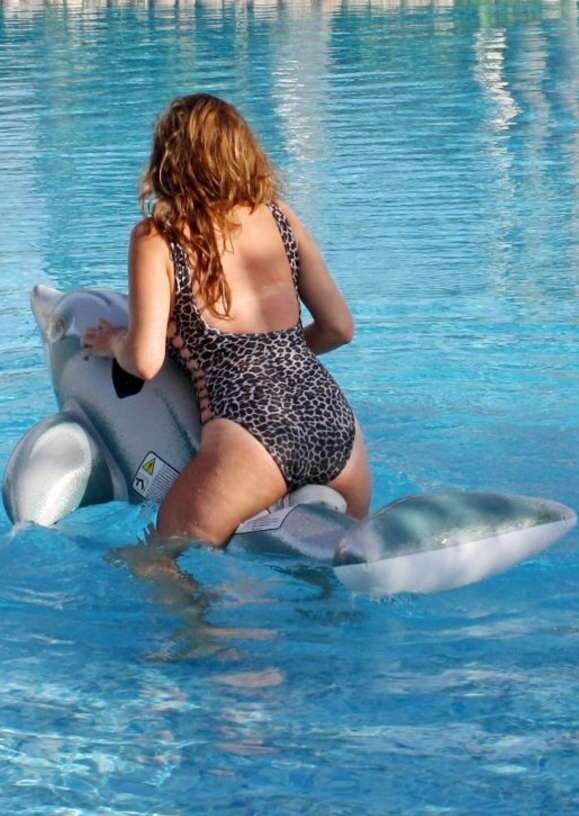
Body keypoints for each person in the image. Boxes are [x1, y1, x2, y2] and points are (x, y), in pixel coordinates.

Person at [82, 94, 370, 547]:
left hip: (251, 430)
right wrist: (278, 358)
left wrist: (113, 341)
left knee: (157, 558)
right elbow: (339, 328)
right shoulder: (279, 216)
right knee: (332, 564)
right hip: (335, 427)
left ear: (168, 162)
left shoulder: (159, 238)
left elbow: (145, 361)